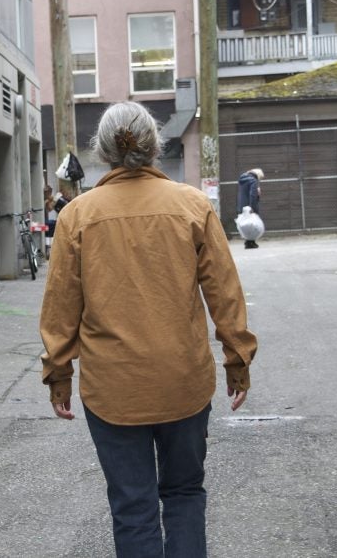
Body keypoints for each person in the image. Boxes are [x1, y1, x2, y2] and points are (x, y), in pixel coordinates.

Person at [39, 101, 259, 557]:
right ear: (154, 146)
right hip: (184, 380)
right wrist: (237, 360)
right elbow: (225, 293)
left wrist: (59, 372)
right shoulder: (192, 206)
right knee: (183, 492)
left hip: (113, 387)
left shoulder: (78, 216)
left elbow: (62, 303)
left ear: (102, 150)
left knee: (132, 505)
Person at [236, 168, 265, 248]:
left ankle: (248, 242)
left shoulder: (242, 180)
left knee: (246, 224)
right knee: (253, 224)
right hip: (249, 205)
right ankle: (251, 242)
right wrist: (253, 207)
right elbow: (253, 195)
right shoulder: (253, 181)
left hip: (242, 205)